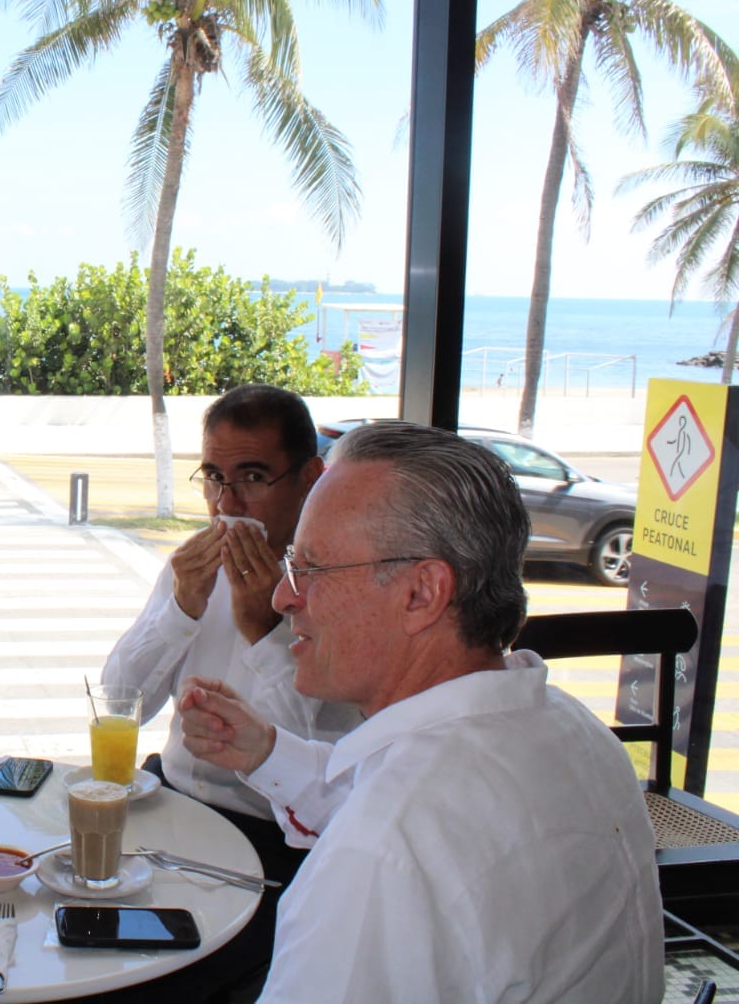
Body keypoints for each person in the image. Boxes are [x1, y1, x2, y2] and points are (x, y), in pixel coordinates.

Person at [180, 421, 662, 1001]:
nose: (283, 597)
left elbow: (397, 834)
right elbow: (401, 805)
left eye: (311, 569)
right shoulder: (570, 729)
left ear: (422, 593)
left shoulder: (380, 856)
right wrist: (264, 750)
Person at [102, 385, 359, 880]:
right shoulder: (193, 568)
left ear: (310, 478)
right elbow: (118, 704)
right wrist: (180, 610)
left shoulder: (343, 588)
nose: (226, 503)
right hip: (170, 797)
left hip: (276, 833)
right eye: (214, 478)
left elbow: (323, 770)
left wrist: (267, 631)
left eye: (253, 477)